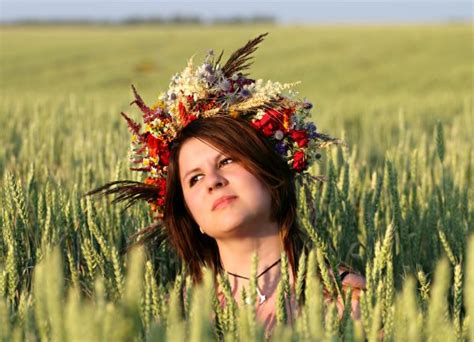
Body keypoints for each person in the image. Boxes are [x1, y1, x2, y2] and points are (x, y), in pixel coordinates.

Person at [89, 33, 365, 335]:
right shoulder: (175, 317)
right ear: (191, 214)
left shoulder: (349, 301)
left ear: (269, 171)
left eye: (227, 161)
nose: (213, 182)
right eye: (194, 179)